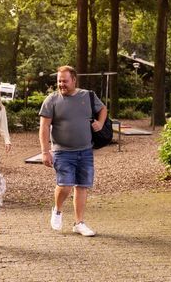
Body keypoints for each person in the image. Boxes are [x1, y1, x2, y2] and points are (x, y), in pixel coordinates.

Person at [38, 65, 107, 237]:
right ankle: (58, 210)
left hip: (85, 151)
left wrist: (100, 122)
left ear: (74, 80)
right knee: (65, 185)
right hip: (62, 151)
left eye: (65, 81)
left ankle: (79, 223)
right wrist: (45, 151)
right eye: (59, 81)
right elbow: (44, 127)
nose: (61, 84)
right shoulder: (51, 100)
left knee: (82, 186)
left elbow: (103, 109)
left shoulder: (88, 96)